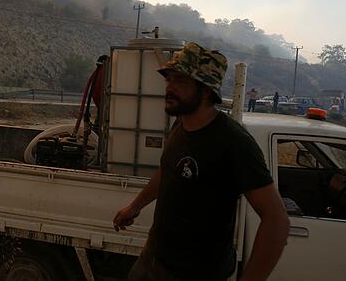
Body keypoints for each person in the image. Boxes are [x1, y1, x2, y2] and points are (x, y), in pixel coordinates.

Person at [112, 42, 289, 280]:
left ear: (206, 91)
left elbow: (276, 219)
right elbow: (168, 171)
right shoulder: (181, 124)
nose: (170, 88)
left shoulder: (233, 142)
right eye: (169, 80)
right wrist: (135, 206)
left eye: (181, 81)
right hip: (152, 260)